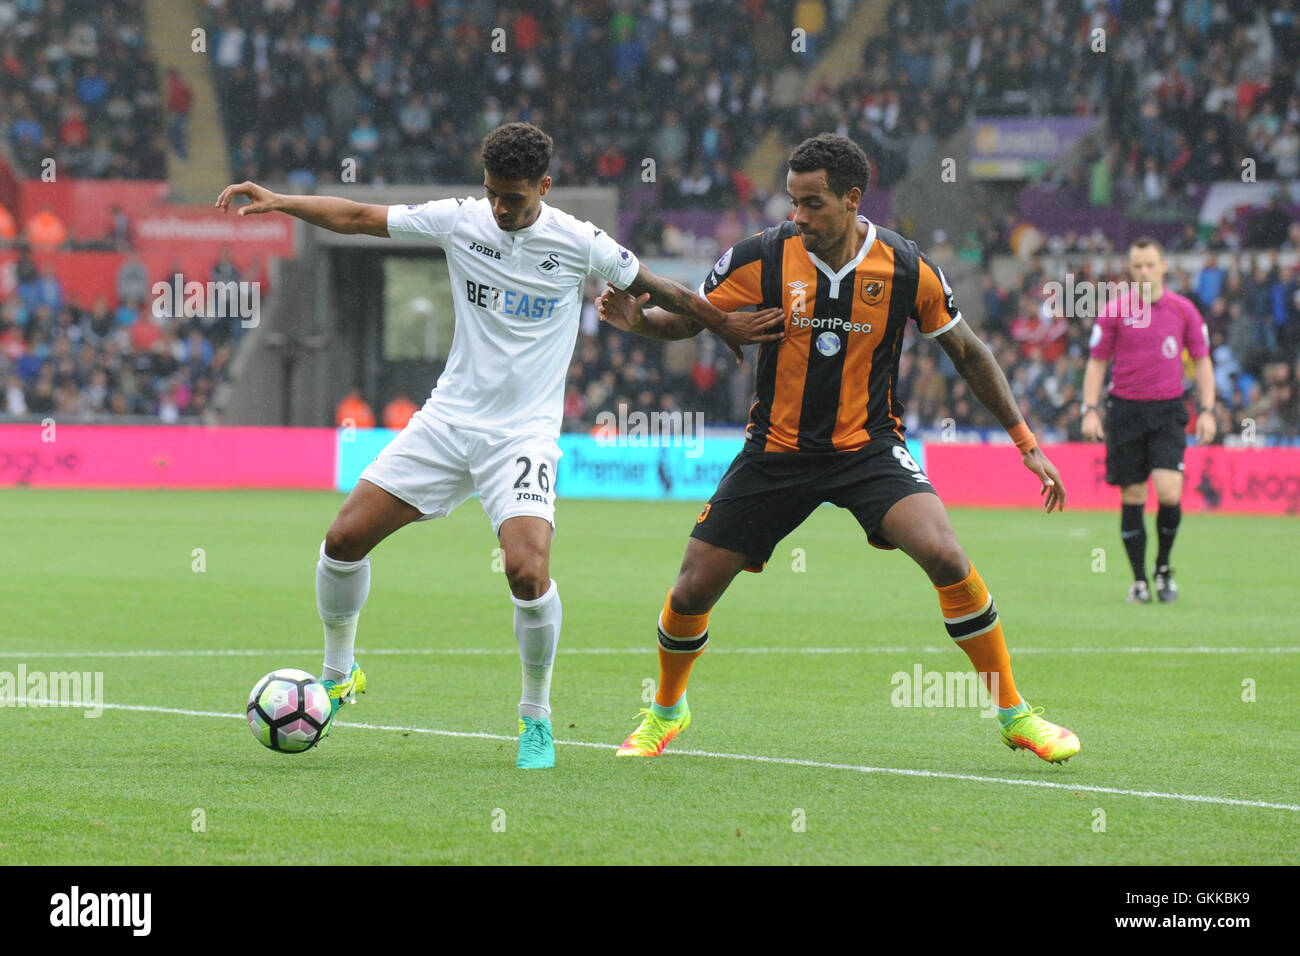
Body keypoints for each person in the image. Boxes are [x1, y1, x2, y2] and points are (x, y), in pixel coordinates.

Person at [216, 122, 772, 769]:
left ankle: (535, 718)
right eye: (492, 195)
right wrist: (284, 202)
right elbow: (363, 216)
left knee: (526, 570)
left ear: (544, 186)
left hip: (523, 435)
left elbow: (664, 291)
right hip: (448, 421)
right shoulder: (461, 220)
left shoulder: (578, 241)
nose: (501, 210)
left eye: (514, 197)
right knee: (342, 540)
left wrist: (722, 323)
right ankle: (340, 674)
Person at [598, 134, 1079, 764]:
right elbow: (692, 320)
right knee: (691, 592)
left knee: (945, 555)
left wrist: (1026, 443)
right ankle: (667, 711)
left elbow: (968, 351)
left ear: (853, 200)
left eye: (814, 204)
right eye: (794, 202)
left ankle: (1016, 714)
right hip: (775, 451)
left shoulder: (906, 266)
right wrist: (639, 323)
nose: (798, 216)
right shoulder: (758, 259)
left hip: (868, 449)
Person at [1081, 237, 1216, 604]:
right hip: (1125, 411)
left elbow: (1202, 362)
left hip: (1169, 409)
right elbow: (1097, 362)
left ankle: (1163, 566)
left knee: (1170, 492)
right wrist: (1089, 409)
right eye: (1137, 266)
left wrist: (1208, 410)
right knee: (1134, 495)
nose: (1143, 272)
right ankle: (1139, 580)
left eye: (1149, 265)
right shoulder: (1114, 311)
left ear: (1163, 267)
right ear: (1130, 269)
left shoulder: (1185, 310)